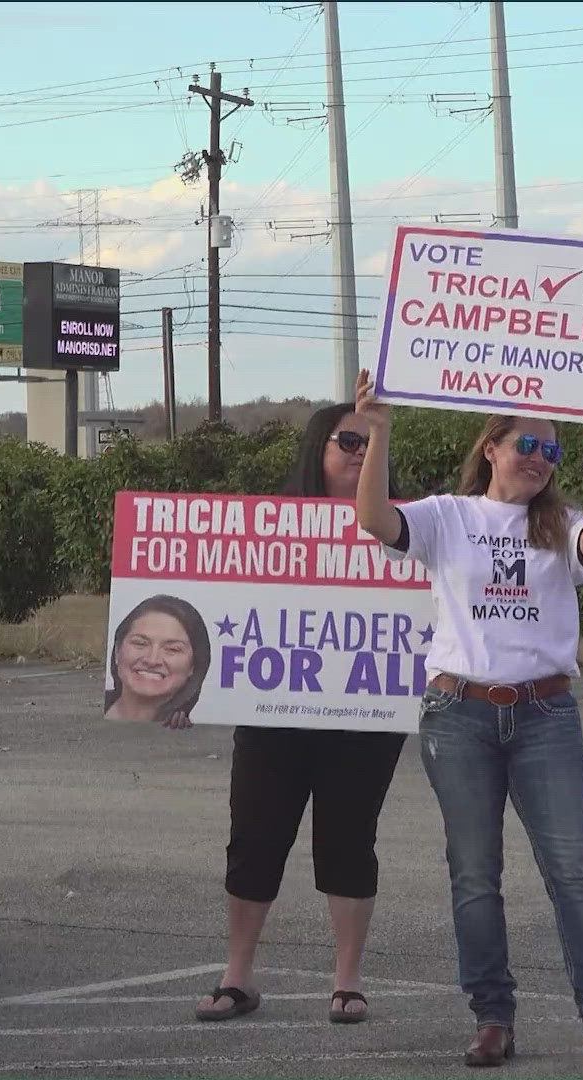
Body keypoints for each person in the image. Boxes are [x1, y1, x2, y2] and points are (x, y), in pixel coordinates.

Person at [353, 370, 583, 1079]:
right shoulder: (448, 516)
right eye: (527, 444)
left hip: (546, 714)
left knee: (574, 874)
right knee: (475, 876)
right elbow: (373, 520)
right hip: (460, 715)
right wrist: (380, 431)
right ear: (491, 447)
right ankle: (492, 1019)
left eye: (552, 448)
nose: (541, 456)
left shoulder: (560, 521)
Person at [189, 402, 410, 1025]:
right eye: (348, 440)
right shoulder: (265, 523)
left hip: (367, 712)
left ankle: (346, 981)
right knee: (255, 839)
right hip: (272, 710)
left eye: (373, 443)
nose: (361, 452)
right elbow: (215, 614)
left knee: (347, 841)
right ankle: (238, 976)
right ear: (318, 448)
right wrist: (186, 694)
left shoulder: (413, 526)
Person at [104, 594, 210, 728]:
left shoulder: (206, 723)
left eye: (172, 649)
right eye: (140, 643)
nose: (152, 660)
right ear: (117, 651)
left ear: (193, 665)